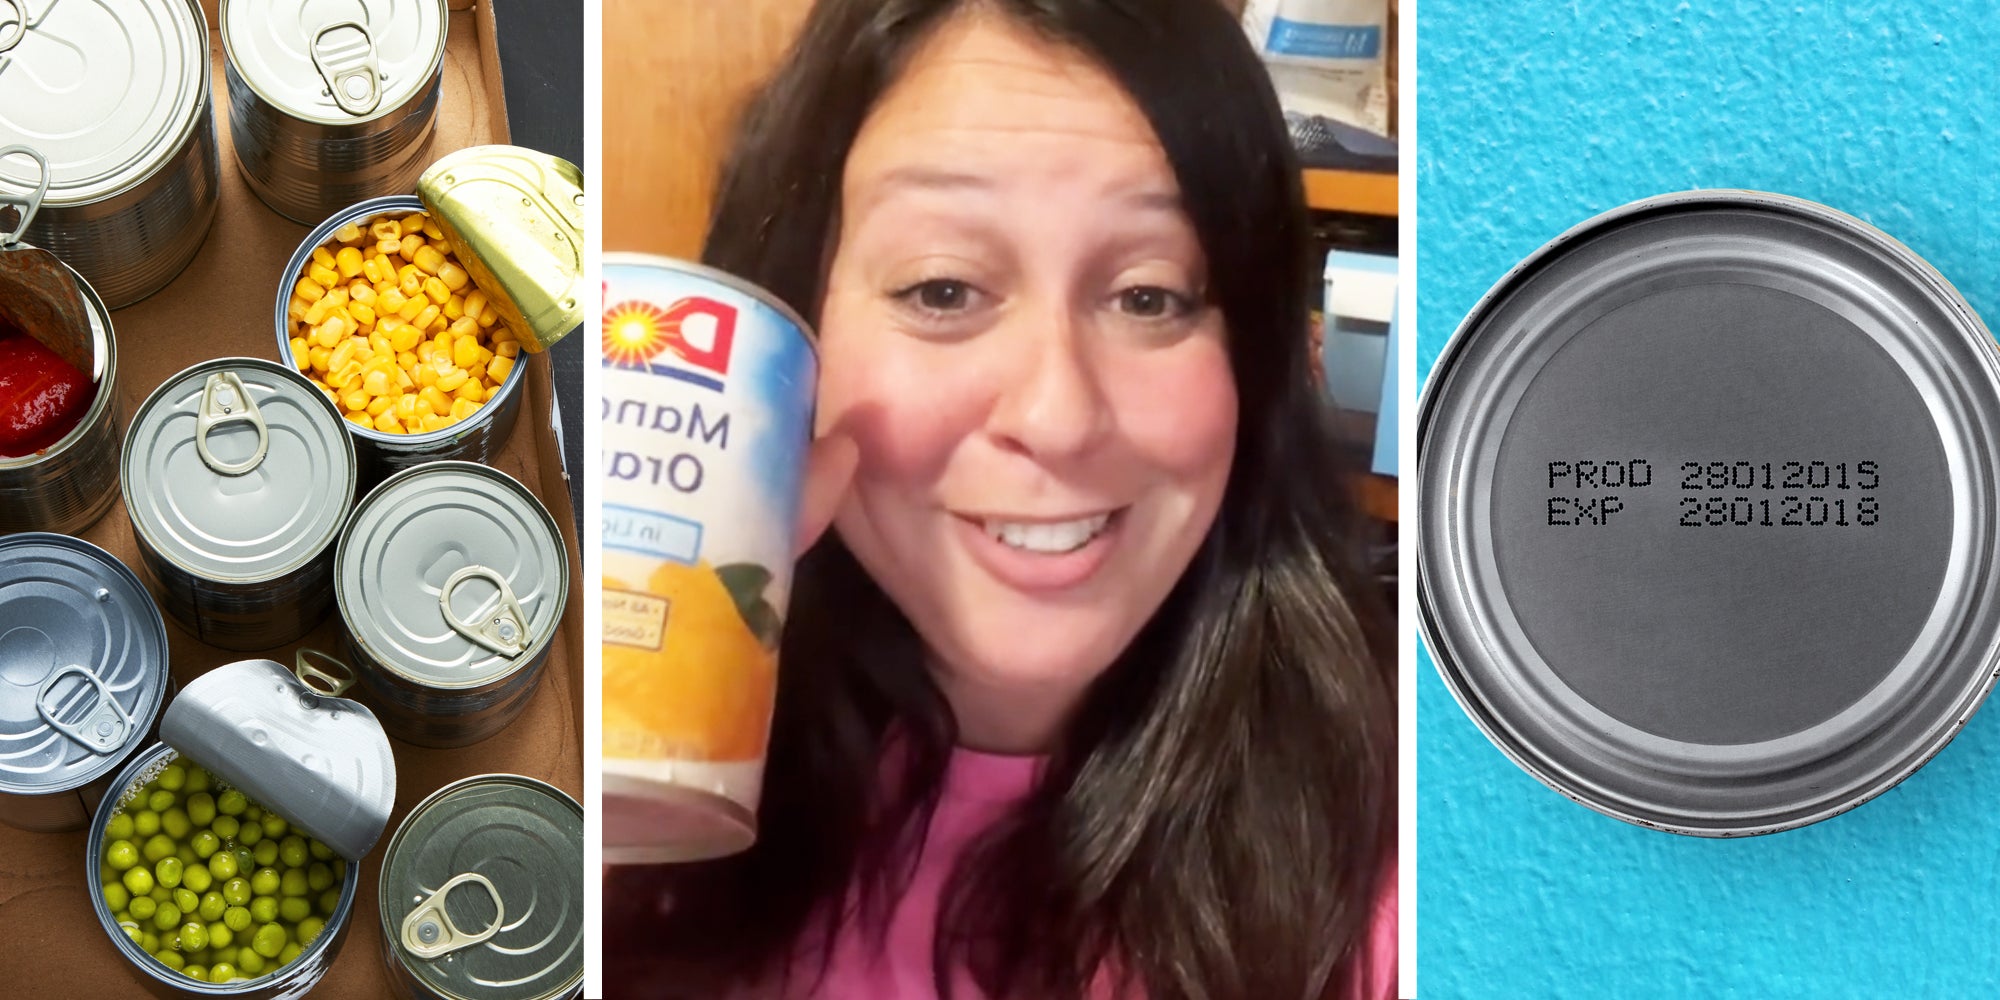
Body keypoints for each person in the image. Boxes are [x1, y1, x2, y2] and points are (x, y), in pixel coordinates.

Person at [605, 0, 1397, 997]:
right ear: (794, 328)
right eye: (942, 289)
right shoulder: (636, 796)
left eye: (1148, 295)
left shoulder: (1417, 868)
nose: (1057, 415)